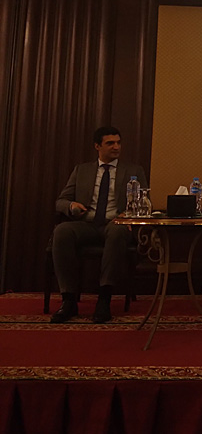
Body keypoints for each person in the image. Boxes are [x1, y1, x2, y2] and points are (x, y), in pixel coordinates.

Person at [51, 126, 148, 324]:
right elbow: (60, 201)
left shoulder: (133, 171)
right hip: (86, 223)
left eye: (118, 143)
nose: (116, 147)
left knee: (117, 231)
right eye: (110, 143)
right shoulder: (82, 170)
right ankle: (68, 299)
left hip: (115, 223)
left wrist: (128, 214)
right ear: (97, 146)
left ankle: (104, 298)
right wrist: (71, 206)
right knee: (62, 231)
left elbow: (145, 201)